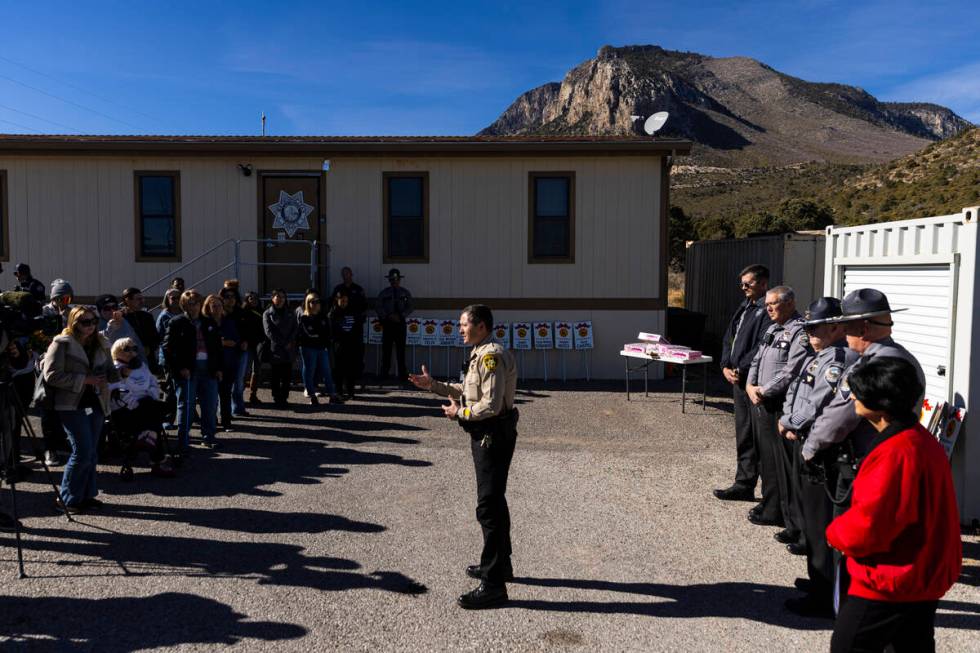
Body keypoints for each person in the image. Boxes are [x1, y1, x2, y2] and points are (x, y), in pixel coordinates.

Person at [826, 356, 961, 652]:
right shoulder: (921, 440)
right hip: (920, 576)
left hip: (889, 581)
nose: (852, 396)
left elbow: (870, 525)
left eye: (858, 391)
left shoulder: (895, 453)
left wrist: (835, 532)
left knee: (849, 645)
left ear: (881, 403)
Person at [802, 288, 925, 606]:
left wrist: (811, 447)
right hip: (879, 462)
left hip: (863, 466)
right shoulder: (902, 357)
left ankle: (842, 606)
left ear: (864, 329)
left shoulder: (871, 366)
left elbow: (839, 415)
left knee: (852, 543)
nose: (843, 333)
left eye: (848, 326)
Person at [409, 304, 519, 609]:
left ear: (481, 326)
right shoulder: (480, 352)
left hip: (492, 436)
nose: (460, 329)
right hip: (486, 435)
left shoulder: (491, 356)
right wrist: (433, 386)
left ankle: (494, 585)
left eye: (464, 325)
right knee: (495, 501)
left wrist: (462, 413)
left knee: (488, 507)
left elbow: (491, 405)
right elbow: (467, 390)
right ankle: (501, 566)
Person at [779, 298, 858, 618]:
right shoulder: (821, 354)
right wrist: (787, 418)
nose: (809, 332)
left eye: (816, 326)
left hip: (821, 449)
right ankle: (818, 580)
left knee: (821, 524)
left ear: (837, 327)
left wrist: (792, 423)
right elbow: (798, 394)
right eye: (808, 325)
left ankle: (825, 594)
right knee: (811, 521)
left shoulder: (839, 358)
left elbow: (821, 402)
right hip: (803, 438)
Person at [745, 286, 811, 539]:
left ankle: (782, 511)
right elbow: (757, 360)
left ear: (790, 303)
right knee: (765, 457)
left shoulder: (799, 331)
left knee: (779, 462)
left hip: (778, 403)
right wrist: (751, 385)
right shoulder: (772, 329)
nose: (768, 308)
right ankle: (771, 502)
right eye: (767, 304)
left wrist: (764, 389)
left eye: (773, 304)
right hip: (760, 398)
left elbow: (792, 369)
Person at [42, 306, 119, 513]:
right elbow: (51, 375)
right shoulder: (61, 343)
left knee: (92, 452)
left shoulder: (101, 343)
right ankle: (66, 498)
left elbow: (111, 371)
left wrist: (122, 372)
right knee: (82, 451)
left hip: (96, 402)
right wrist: (84, 380)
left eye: (93, 321)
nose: (91, 326)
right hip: (70, 404)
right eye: (85, 322)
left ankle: (85, 495)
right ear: (74, 322)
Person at [714, 264, 771, 502]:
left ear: (763, 283)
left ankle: (771, 493)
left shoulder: (767, 310)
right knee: (744, 433)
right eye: (742, 284)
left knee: (761, 438)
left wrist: (741, 368)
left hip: (754, 382)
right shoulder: (745, 306)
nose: (744, 287)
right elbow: (729, 337)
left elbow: (761, 345)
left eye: (748, 283)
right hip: (737, 380)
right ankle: (743, 483)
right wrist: (725, 365)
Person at [162, 289, 222, 451]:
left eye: (196, 302)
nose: (193, 306)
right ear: (184, 305)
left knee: (209, 405)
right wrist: (180, 368)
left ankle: (209, 436)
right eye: (190, 303)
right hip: (187, 371)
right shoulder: (176, 322)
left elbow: (217, 348)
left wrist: (218, 369)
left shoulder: (209, 322)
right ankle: (183, 440)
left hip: (208, 370)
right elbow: (168, 349)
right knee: (186, 406)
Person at [108, 338, 175, 477]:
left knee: (158, 407)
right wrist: (136, 403)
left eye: (134, 349)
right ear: (116, 351)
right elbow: (116, 390)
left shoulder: (142, 366)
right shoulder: (114, 369)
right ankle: (157, 460)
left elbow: (154, 383)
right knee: (154, 415)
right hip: (125, 410)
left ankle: (146, 440)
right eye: (126, 349)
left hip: (146, 406)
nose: (131, 352)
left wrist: (151, 395)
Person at [39, 278, 74, 466]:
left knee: (66, 407)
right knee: (48, 408)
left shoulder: (72, 314)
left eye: (67, 299)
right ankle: (49, 448)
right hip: (48, 365)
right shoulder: (44, 312)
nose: (63, 303)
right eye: (60, 299)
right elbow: (37, 338)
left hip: (68, 366)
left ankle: (62, 442)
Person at [297, 291, 342, 405]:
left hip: (322, 348)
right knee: (310, 370)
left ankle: (332, 395)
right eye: (313, 302)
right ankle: (312, 395)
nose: (316, 304)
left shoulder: (323, 317)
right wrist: (320, 334)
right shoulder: (304, 318)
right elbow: (311, 333)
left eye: (318, 302)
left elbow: (327, 333)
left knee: (327, 371)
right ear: (308, 303)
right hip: (308, 348)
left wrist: (322, 337)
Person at [203, 294, 240, 430]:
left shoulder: (229, 321)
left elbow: (235, 340)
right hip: (210, 364)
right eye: (214, 306)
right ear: (208, 307)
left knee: (225, 394)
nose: (217, 308)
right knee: (211, 396)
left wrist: (221, 342)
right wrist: (222, 342)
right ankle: (211, 421)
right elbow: (205, 344)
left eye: (219, 305)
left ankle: (226, 421)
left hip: (228, 363)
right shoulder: (205, 323)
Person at [221, 286, 254, 417]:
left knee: (239, 380)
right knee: (224, 383)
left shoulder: (242, 313)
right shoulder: (219, 313)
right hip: (223, 351)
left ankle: (238, 407)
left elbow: (248, 330)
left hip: (240, 350)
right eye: (227, 297)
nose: (230, 300)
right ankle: (225, 410)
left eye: (233, 297)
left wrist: (246, 341)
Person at [377, 269, 413, 384]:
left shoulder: (405, 293)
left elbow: (410, 307)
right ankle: (384, 373)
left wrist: (401, 315)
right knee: (386, 350)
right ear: (389, 280)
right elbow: (378, 306)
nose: (394, 282)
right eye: (392, 280)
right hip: (388, 324)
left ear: (399, 280)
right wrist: (388, 316)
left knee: (401, 350)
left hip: (400, 324)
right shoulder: (384, 293)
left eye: (396, 279)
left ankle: (402, 374)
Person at [263, 289, 297, 407]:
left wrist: (289, 342)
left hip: (288, 348)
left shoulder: (290, 312)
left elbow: (295, 328)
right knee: (276, 375)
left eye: (283, 296)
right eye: (277, 296)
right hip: (276, 348)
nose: (280, 299)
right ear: (272, 298)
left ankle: (284, 397)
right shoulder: (268, 313)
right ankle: (276, 397)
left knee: (287, 375)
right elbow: (269, 332)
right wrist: (283, 343)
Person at [329, 288, 364, 399]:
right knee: (338, 370)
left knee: (351, 370)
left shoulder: (354, 313)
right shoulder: (333, 314)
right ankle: (339, 391)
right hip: (338, 346)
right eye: (342, 301)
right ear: (337, 300)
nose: (344, 303)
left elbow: (358, 329)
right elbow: (330, 331)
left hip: (352, 346)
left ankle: (350, 391)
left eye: (346, 301)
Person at [156, 289, 182, 426]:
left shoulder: (184, 314)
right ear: (167, 299)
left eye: (178, 297)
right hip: (168, 357)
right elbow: (160, 338)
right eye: (173, 298)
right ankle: (167, 419)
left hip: (183, 356)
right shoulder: (164, 316)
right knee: (170, 388)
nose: (176, 300)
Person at [121, 287, 160, 371]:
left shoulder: (147, 316)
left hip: (147, 360)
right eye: (138, 299)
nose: (142, 301)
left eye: (142, 298)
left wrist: (149, 348)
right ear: (127, 300)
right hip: (128, 361)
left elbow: (155, 337)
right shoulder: (121, 317)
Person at [242, 291, 266, 405]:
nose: (253, 300)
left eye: (255, 298)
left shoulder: (262, 312)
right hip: (247, 344)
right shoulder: (243, 312)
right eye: (250, 298)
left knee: (257, 370)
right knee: (245, 371)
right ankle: (239, 395)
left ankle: (253, 394)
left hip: (259, 344)